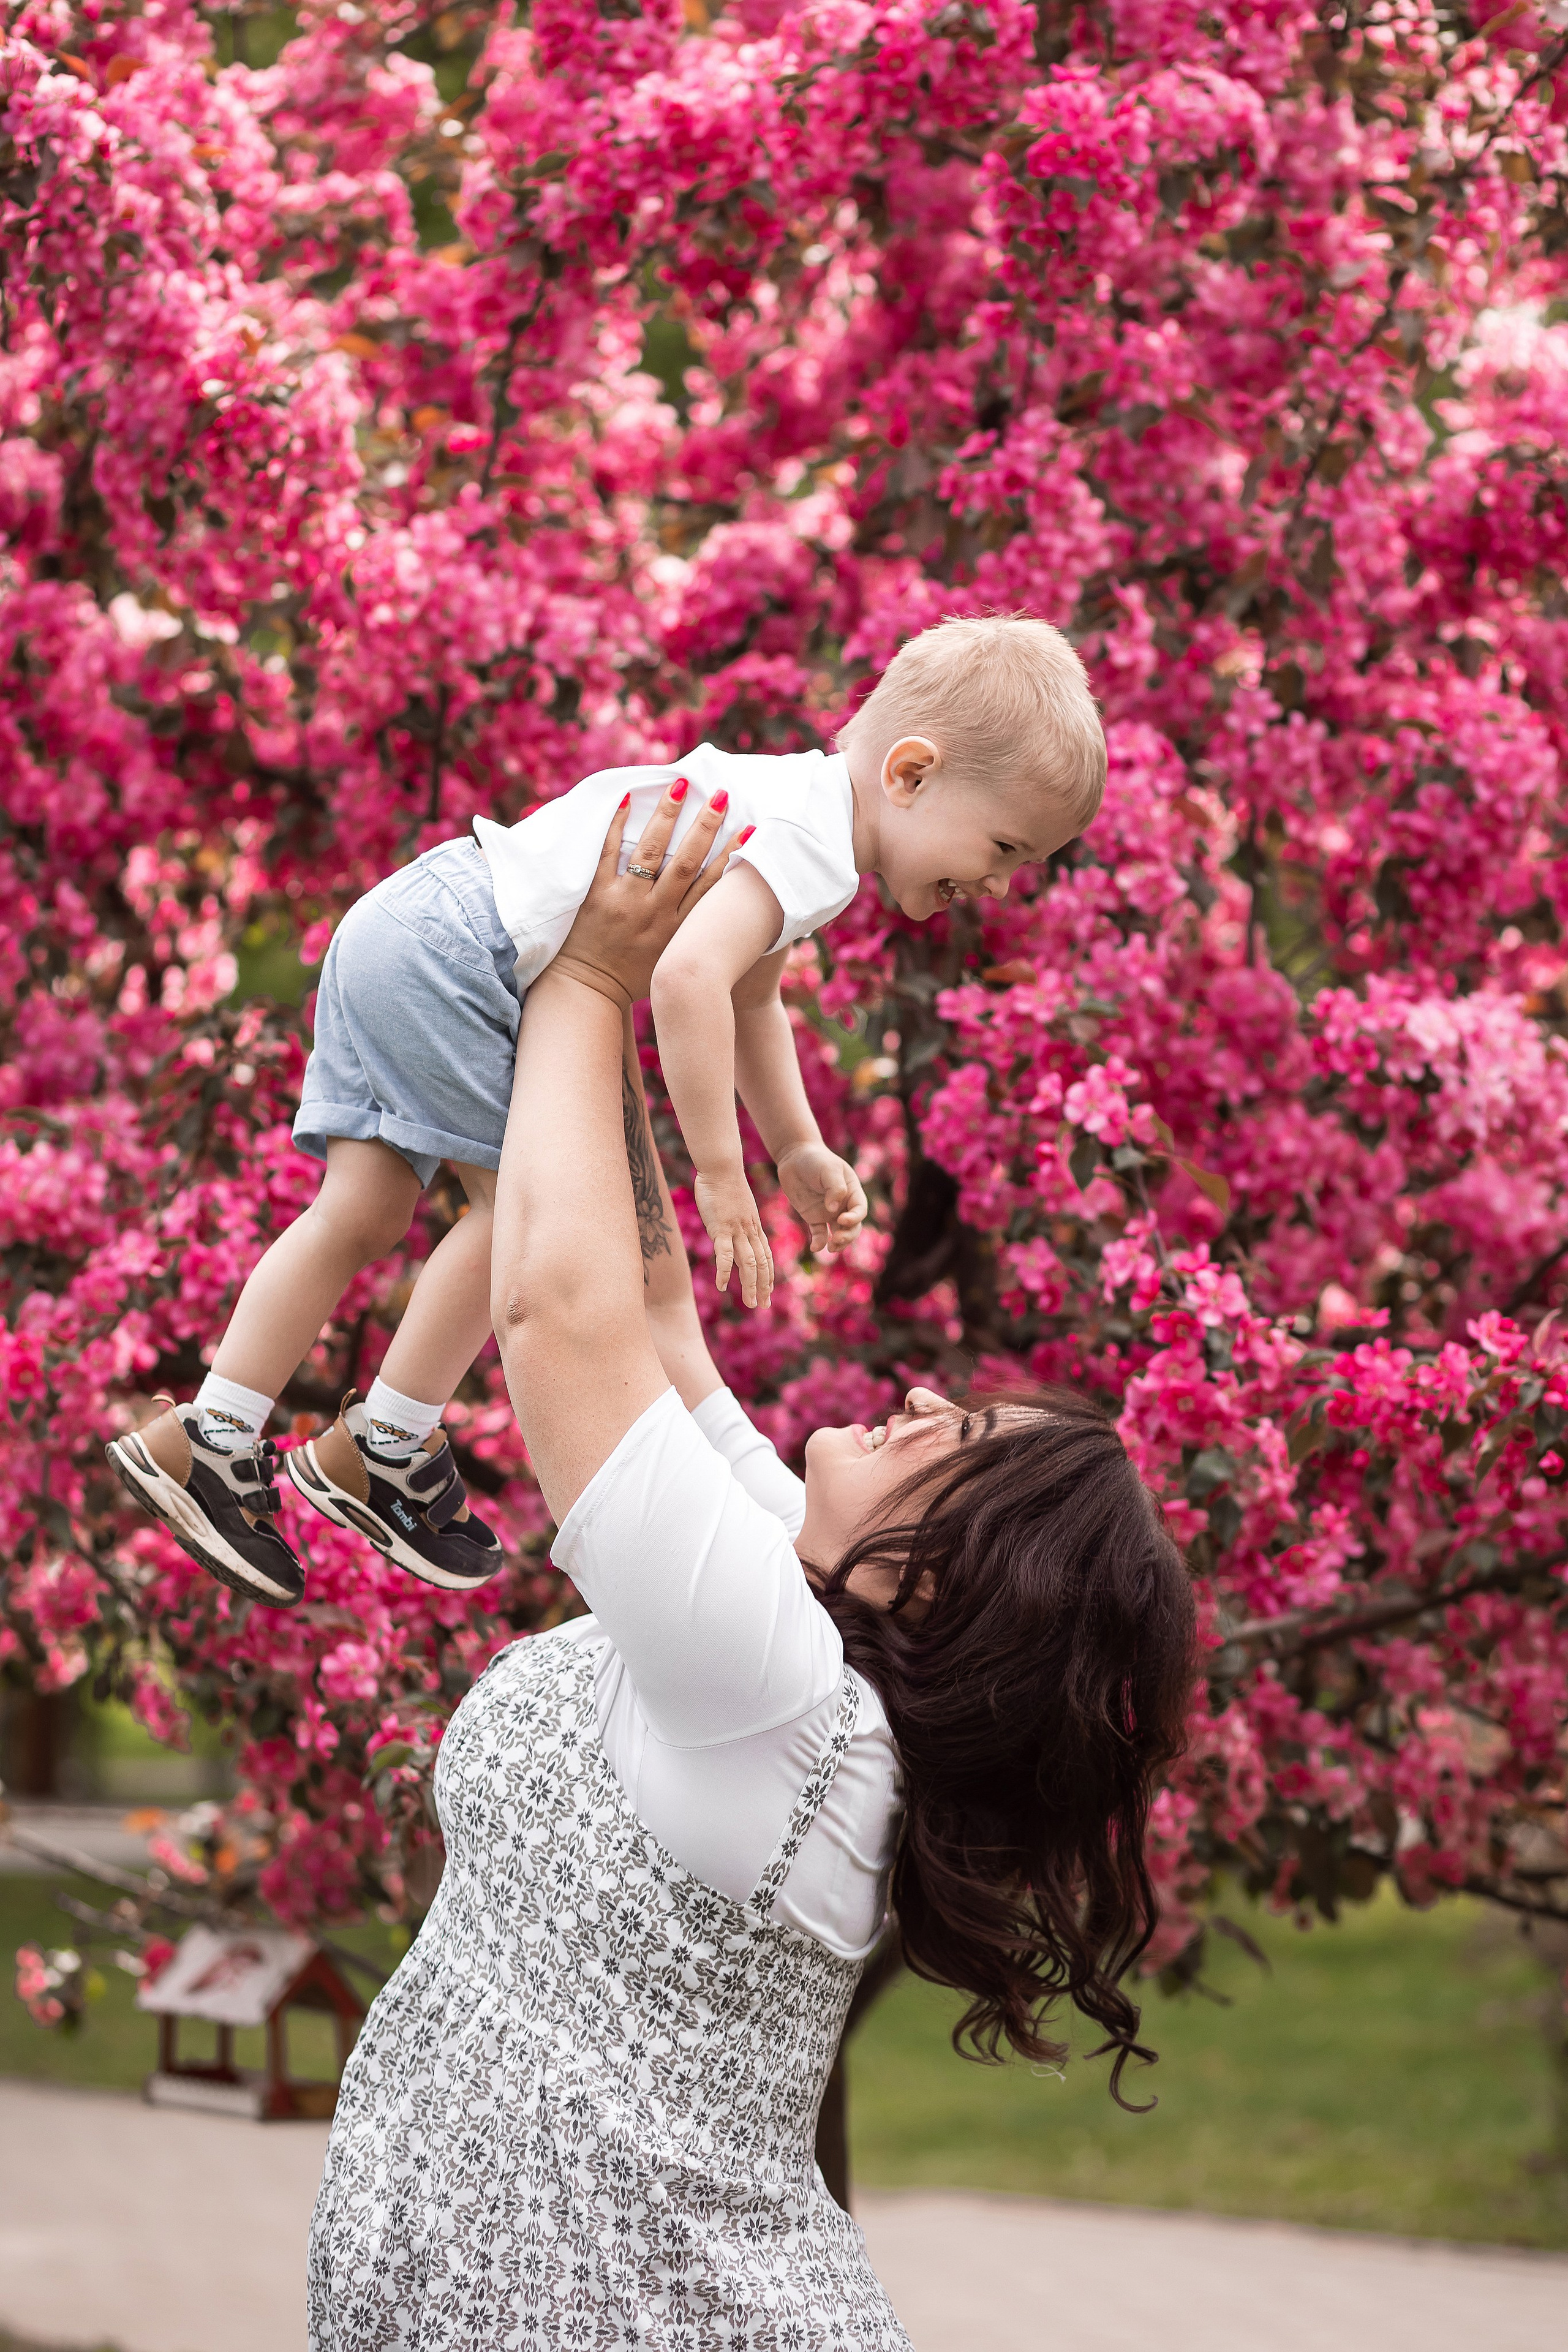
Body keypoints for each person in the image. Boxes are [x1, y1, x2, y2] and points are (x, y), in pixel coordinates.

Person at [306, 784, 1196, 2352]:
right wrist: (579, 973)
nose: (918, 1398)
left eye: (954, 1438)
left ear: (947, 1580)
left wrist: (591, 980)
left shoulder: (783, 1696)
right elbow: (652, 1309)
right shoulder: (793, 1599)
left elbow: (561, 1319)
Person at [105, 615, 1104, 1609]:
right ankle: (386, 1444)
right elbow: (687, 982)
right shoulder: (813, 841)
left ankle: (212, 1432)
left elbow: (752, 998)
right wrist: (722, 1175)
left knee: (359, 1213)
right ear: (910, 774)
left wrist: (796, 1145)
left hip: (410, 921)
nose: (1000, 883)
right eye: (1004, 845)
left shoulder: (796, 810)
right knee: (520, 1220)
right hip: (470, 959)